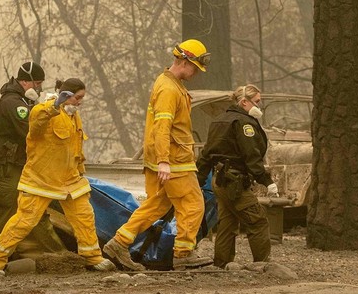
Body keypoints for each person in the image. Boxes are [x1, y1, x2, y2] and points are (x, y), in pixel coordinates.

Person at [0, 78, 115, 276]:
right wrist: (55, 105)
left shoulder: (73, 116)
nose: (80, 102)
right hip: (40, 180)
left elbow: (76, 146)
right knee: (24, 221)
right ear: (66, 96)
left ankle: (92, 256)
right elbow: (37, 121)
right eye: (78, 98)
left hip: (69, 180)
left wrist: (80, 169)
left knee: (84, 216)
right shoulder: (43, 111)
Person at [101, 40, 210, 271]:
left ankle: (119, 242)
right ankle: (183, 254)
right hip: (174, 160)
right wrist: (164, 161)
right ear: (184, 61)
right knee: (193, 204)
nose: (196, 74)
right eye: (195, 68)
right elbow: (162, 127)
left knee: (156, 205)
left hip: (163, 159)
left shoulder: (167, 83)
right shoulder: (169, 89)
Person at [0, 62, 65, 257]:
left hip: (19, 165)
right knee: (5, 212)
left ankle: (61, 256)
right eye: (37, 83)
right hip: (8, 166)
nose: (39, 88)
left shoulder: (22, 102)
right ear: (25, 81)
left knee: (35, 210)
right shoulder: (12, 103)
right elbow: (30, 132)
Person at [196, 84, 280, 267]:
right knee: (257, 221)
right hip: (236, 182)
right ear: (244, 102)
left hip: (219, 180)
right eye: (257, 102)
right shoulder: (245, 123)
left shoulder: (219, 120)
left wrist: (199, 179)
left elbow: (206, 153)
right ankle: (262, 265)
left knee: (227, 223)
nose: (259, 106)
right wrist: (266, 181)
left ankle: (222, 263)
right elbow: (251, 155)